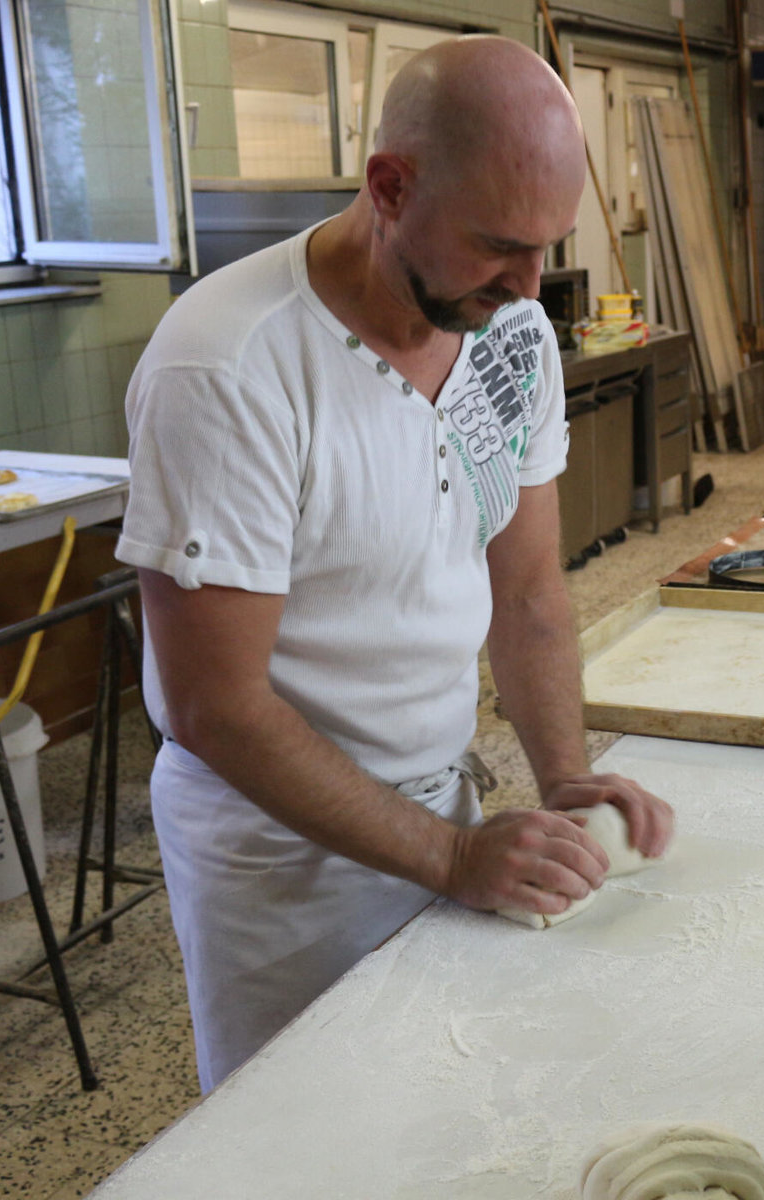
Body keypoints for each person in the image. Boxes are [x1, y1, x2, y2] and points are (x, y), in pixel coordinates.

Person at [116, 36, 674, 1092]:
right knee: (309, 1131)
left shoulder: (512, 338)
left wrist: (563, 780)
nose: (528, 285)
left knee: (439, 1106)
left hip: (443, 811)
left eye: (549, 246)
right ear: (390, 186)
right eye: (501, 246)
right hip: (282, 864)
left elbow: (529, 590)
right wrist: (452, 857)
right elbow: (215, 706)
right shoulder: (228, 367)